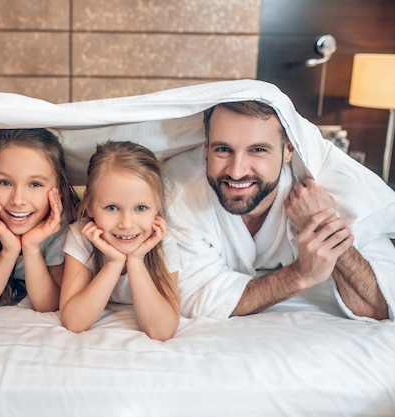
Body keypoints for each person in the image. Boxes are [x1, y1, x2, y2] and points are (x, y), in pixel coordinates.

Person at [166, 100, 395, 321]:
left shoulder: (324, 187)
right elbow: (197, 296)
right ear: (206, 148)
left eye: (257, 150)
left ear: (288, 151)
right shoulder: (182, 191)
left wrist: (322, 224)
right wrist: (301, 275)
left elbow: (377, 306)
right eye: (223, 149)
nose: (236, 171)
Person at [59, 141, 181, 341]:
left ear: (157, 207)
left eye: (141, 208)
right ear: (89, 204)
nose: (126, 224)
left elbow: (162, 331)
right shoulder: (81, 236)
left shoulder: (163, 244)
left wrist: (136, 260)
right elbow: (74, 321)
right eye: (112, 208)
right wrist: (114, 263)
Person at [0, 128, 79, 312]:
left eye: (35, 184)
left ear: (59, 191)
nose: (18, 200)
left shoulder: (62, 220)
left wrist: (31, 247)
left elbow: (48, 305)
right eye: (5, 182)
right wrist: (10, 250)